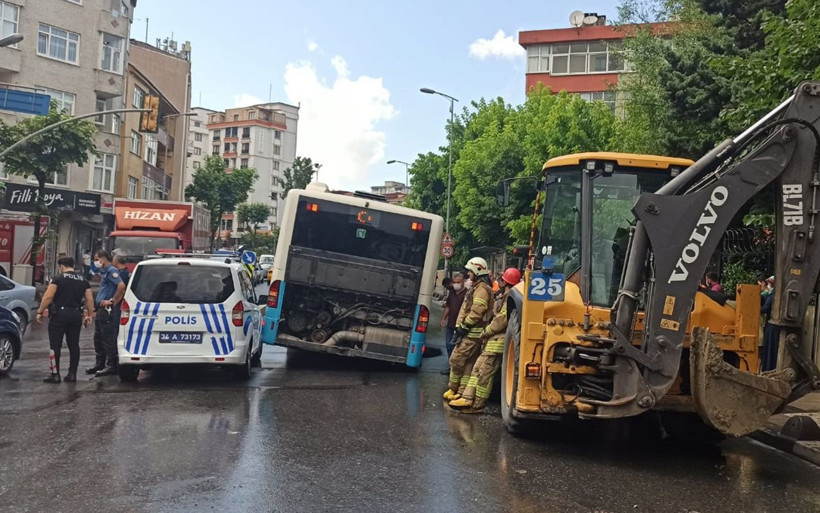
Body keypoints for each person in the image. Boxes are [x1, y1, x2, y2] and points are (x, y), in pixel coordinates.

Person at [449, 267, 521, 413]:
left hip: (497, 343)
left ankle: (477, 405)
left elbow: (501, 320)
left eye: (502, 280)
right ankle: (468, 398)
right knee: (477, 370)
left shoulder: (509, 298)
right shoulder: (505, 296)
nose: (499, 282)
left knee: (484, 375)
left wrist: (486, 332)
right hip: (492, 342)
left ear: (506, 282)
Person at [443, 257, 494, 402]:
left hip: (472, 333)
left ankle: (454, 387)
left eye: (470, 271)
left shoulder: (482, 289)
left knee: (456, 359)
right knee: (468, 364)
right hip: (472, 333)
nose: (468, 274)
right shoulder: (478, 287)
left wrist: (463, 327)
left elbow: (477, 312)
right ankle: (460, 391)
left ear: (477, 271)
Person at [37, 257, 94, 383]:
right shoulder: (83, 280)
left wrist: (40, 311)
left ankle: (55, 374)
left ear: (61, 266)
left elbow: (48, 296)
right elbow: (89, 300)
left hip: (59, 315)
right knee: (74, 345)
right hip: (75, 314)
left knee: (55, 345)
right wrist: (89, 315)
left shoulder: (58, 278)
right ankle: (72, 374)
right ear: (73, 265)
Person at [86, 250, 125, 377]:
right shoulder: (103, 272)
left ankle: (112, 365)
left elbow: (121, 286)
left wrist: (112, 301)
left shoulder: (111, 271)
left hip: (107, 310)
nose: (95, 262)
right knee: (98, 337)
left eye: (97, 259)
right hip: (101, 309)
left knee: (108, 337)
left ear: (103, 258)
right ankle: (100, 363)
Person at [439, 273, 467, 372]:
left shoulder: (467, 294)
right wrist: (443, 318)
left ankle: (457, 368)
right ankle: (451, 366)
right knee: (448, 345)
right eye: (454, 282)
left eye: (458, 282)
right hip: (451, 324)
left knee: (458, 348)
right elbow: (448, 307)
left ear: (463, 282)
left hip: (460, 326)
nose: (456, 284)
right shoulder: (452, 293)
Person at [760, 275, 780, 372]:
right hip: (772, 325)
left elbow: (765, 308)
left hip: (772, 326)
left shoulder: (774, 295)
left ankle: (768, 369)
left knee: (770, 349)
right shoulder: (773, 294)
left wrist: (754, 309)